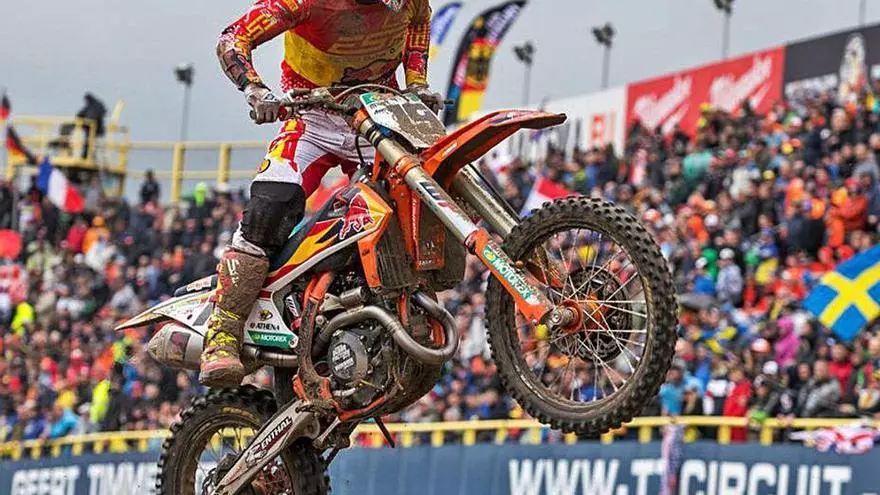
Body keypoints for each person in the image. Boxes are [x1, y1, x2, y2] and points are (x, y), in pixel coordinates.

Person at [200, 0, 441, 387]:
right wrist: (255, 89)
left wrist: (417, 83)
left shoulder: (409, 1)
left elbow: (419, 22)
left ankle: (397, 308)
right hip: (311, 116)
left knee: (421, 193)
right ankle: (223, 333)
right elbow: (233, 38)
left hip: (376, 114)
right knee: (269, 210)